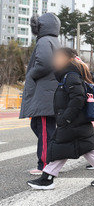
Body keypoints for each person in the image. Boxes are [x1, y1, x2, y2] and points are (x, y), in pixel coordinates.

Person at [27, 48, 94, 189]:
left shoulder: (70, 75)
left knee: (60, 147)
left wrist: (66, 118)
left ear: (66, 59)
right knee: (84, 148)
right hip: (76, 121)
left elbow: (78, 98)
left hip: (73, 121)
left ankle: (47, 178)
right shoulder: (68, 75)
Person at [20, 13, 61, 175]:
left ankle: (45, 164)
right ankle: (53, 158)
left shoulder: (44, 41)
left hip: (45, 94)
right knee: (41, 126)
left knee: (44, 129)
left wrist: (31, 74)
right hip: (49, 92)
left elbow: (44, 62)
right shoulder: (54, 41)